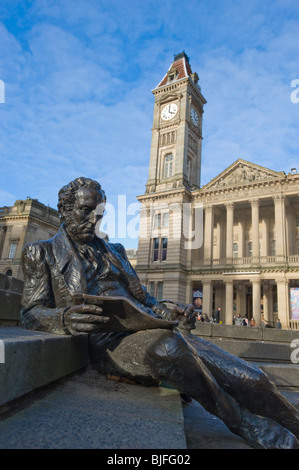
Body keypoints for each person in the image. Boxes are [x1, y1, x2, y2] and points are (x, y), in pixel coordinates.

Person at [20, 177, 299, 449]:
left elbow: (147, 298)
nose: (93, 220)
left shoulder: (115, 251)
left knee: (252, 376)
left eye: (99, 213)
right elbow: (31, 312)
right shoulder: (41, 252)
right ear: (65, 210)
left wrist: (171, 311)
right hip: (110, 341)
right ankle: (243, 422)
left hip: (150, 325)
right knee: (169, 348)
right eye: (85, 212)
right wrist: (64, 318)